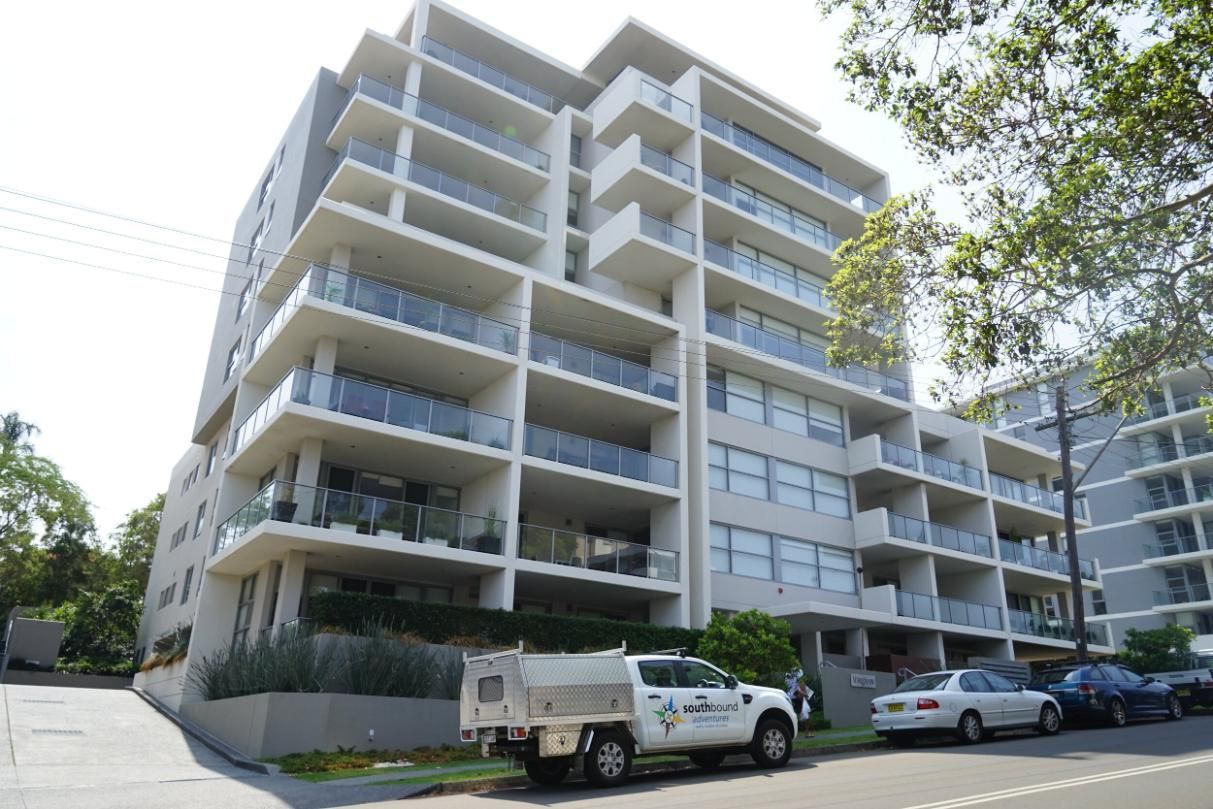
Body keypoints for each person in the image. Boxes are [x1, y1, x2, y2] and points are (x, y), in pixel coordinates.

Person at [785, 668, 815, 738]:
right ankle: (808, 732)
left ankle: (808, 732)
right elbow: (798, 694)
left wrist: (804, 695)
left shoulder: (799, 683)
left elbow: (802, 693)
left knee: (807, 717)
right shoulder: (794, 683)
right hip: (798, 700)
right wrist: (804, 695)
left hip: (803, 700)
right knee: (806, 717)